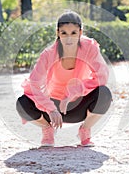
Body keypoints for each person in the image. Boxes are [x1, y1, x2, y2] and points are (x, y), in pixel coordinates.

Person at [16, 10, 112, 147]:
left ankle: (85, 130)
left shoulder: (89, 48)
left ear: (80, 32)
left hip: (78, 105)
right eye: (64, 33)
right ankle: (47, 129)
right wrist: (51, 109)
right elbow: (34, 84)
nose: (69, 38)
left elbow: (102, 77)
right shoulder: (49, 54)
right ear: (58, 33)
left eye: (73, 33)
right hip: (53, 110)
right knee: (22, 104)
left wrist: (71, 94)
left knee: (104, 94)